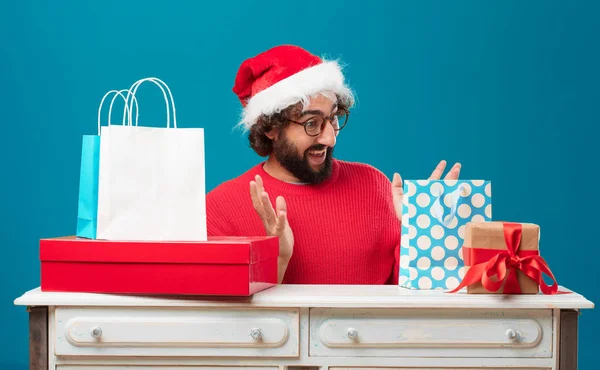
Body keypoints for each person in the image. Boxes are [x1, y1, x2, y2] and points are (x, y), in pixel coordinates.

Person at [206, 45, 461, 285]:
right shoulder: (220, 210)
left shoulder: (374, 186)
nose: (329, 138)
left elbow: (413, 307)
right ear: (271, 127)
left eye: (333, 119)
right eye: (312, 123)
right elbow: (225, 326)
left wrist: (426, 233)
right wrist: (277, 260)